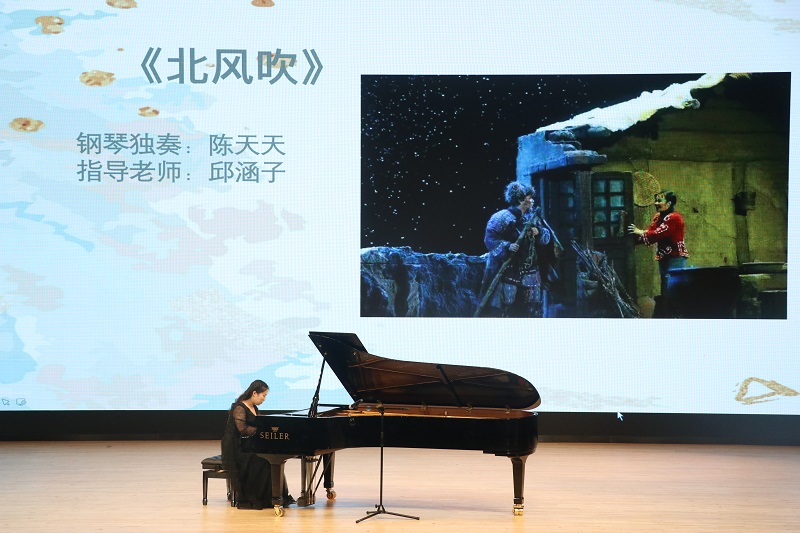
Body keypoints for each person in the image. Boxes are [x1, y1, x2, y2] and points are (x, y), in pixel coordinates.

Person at [477, 181, 556, 317]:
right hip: (509, 272)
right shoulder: (501, 217)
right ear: (520, 199)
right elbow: (490, 239)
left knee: (531, 309)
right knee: (506, 307)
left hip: (531, 273)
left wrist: (539, 232)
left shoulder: (534, 217)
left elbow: (546, 238)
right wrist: (507, 246)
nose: (532, 200)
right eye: (529, 197)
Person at [221, 380, 293, 510]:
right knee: (263, 461)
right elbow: (242, 429)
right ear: (254, 393)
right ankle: (260, 497)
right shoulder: (239, 407)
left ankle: (272, 496)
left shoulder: (254, 407)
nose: (264, 399)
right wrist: (261, 431)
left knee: (271, 458)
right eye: (263, 395)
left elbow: (259, 422)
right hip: (236, 445)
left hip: (247, 443)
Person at [627, 190, 689, 308]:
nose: (656, 203)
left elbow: (658, 233)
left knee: (674, 285)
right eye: (656, 200)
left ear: (669, 203)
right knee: (665, 286)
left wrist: (640, 232)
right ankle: (667, 311)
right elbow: (652, 232)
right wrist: (633, 240)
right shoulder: (658, 217)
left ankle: (676, 312)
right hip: (664, 256)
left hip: (676, 256)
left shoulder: (675, 217)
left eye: (659, 201)